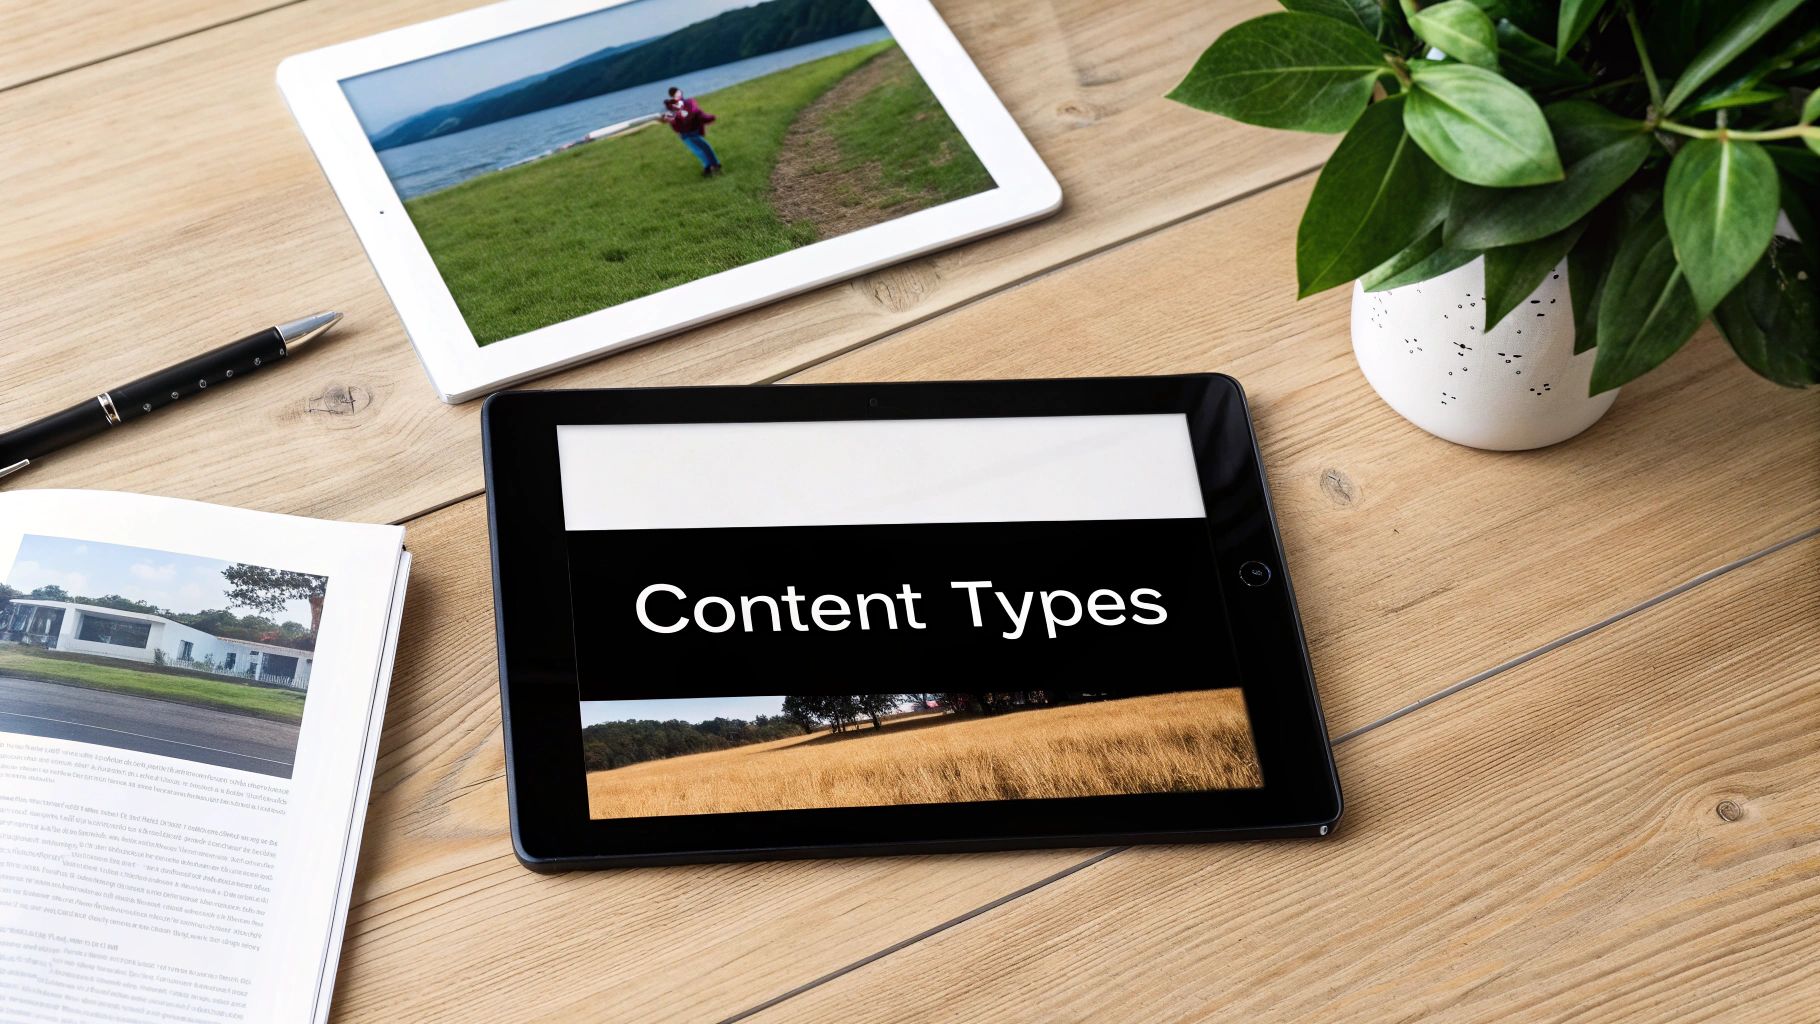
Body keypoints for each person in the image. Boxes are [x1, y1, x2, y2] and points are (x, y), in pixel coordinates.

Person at [662, 86, 720, 177]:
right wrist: (711, 118)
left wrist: (677, 131)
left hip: (685, 134)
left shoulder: (671, 108)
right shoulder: (689, 102)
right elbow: (699, 114)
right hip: (693, 131)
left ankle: (709, 166)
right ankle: (714, 165)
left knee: (698, 150)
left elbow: (672, 122)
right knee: (705, 147)